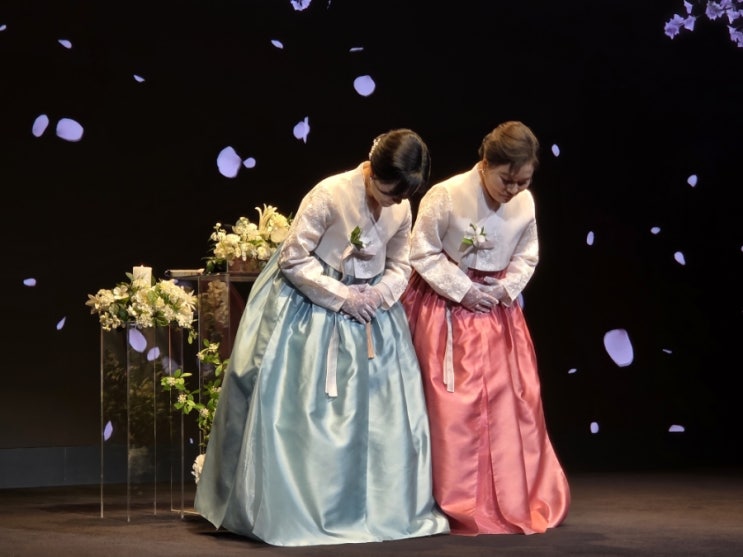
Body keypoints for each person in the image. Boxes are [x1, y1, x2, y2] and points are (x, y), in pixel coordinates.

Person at [194, 128, 450, 546]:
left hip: (371, 310)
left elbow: (401, 263)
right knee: (305, 409)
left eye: (403, 195)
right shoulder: (330, 193)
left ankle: (370, 509)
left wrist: (379, 294)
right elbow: (294, 257)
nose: (394, 202)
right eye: (390, 192)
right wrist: (343, 296)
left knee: (380, 412)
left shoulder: (401, 209)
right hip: (312, 305)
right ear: (373, 171)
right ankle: (302, 505)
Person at [400, 121, 570, 535]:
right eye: (506, 179)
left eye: (522, 181)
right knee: (452, 406)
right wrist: (463, 290)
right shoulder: (447, 194)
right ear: (485, 164)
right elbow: (421, 251)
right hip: (445, 308)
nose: (513, 189)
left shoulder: (524, 202)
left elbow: (527, 255)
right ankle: (450, 496)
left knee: (510, 402)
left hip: (496, 312)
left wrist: (505, 288)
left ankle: (507, 494)